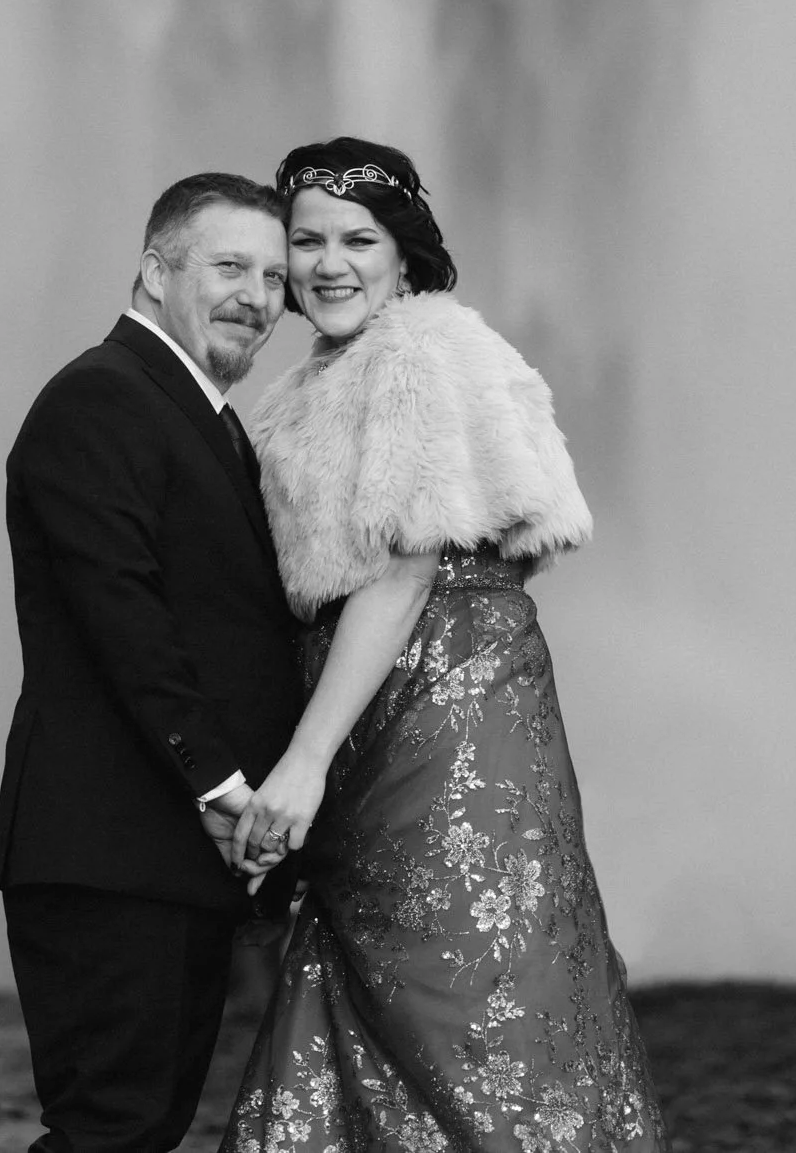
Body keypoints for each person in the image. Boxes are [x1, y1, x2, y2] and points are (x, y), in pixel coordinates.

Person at [220, 138, 670, 1153]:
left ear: (403, 253)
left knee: (461, 986)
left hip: (441, 718)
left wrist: (304, 760)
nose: (327, 264)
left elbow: (404, 570)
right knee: (397, 975)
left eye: (356, 240)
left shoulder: (418, 351)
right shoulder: (308, 383)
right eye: (306, 242)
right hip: (378, 708)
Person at [0, 172, 305, 1153]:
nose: (256, 295)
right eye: (229, 267)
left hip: (160, 852)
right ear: (153, 272)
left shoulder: (197, 414)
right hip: (114, 846)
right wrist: (222, 789)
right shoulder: (101, 398)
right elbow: (122, 616)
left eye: (273, 277)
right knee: (111, 1130)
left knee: (137, 1129)